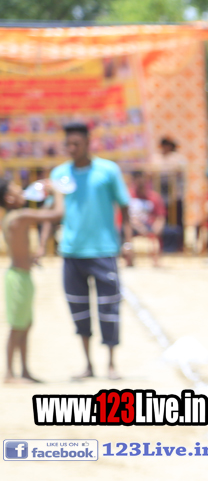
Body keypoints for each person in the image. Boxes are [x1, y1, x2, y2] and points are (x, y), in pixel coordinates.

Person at [47, 121, 130, 380]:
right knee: (79, 310)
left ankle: (112, 364)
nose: (72, 148)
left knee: (109, 309)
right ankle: (88, 364)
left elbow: (124, 206)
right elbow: (52, 213)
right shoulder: (60, 174)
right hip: (71, 253)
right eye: (68, 144)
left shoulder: (108, 171)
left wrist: (127, 243)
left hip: (104, 251)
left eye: (77, 143)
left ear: (88, 143)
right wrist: (40, 245)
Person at [2, 177, 64, 383]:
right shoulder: (20, 216)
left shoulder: (15, 217)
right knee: (17, 326)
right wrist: (57, 193)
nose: (22, 191)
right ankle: (9, 373)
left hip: (22, 275)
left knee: (25, 324)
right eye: (16, 189)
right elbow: (57, 214)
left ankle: (24, 371)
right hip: (18, 278)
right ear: (9, 198)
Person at [127, 170, 165, 267]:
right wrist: (137, 226)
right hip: (132, 225)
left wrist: (157, 227)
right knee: (126, 231)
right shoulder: (127, 196)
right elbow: (125, 216)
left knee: (159, 233)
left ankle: (156, 260)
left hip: (149, 224)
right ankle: (128, 259)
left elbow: (160, 216)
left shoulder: (154, 197)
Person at [153, 136, 187, 245]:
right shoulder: (156, 157)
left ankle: (179, 244)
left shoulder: (178, 158)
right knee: (162, 219)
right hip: (160, 195)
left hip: (175, 195)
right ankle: (163, 244)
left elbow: (180, 172)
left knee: (177, 220)